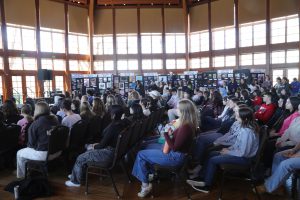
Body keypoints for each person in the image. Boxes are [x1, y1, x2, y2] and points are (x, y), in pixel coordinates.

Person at [132, 99, 198, 197]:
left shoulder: (185, 127)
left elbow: (175, 147)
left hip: (175, 157)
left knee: (141, 154)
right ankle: (149, 174)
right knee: (146, 148)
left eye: (178, 108)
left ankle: (145, 185)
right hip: (177, 155)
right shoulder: (188, 123)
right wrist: (169, 133)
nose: (176, 110)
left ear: (184, 111)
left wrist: (166, 133)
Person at [187, 107, 259, 193]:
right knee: (212, 153)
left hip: (245, 159)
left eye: (238, 117)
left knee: (213, 160)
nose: (236, 118)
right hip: (239, 155)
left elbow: (243, 153)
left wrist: (228, 152)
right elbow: (238, 145)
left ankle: (207, 185)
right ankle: (202, 177)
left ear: (246, 118)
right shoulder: (244, 128)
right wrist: (228, 149)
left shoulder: (248, 132)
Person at [65, 105, 129, 187]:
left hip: (108, 154)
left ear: (113, 115)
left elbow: (101, 145)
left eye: (109, 113)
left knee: (81, 157)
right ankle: (77, 173)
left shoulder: (113, 127)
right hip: (116, 153)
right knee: (86, 152)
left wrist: (93, 146)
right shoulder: (123, 124)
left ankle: (76, 181)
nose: (108, 114)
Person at [16, 102, 59, 178]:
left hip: (45, 154)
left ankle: (21, 175)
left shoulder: (35, 124)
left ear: (37, 111)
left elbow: (31, 144)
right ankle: (30, 169)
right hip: (57, 151)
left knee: (19, 153)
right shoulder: (55, 119)